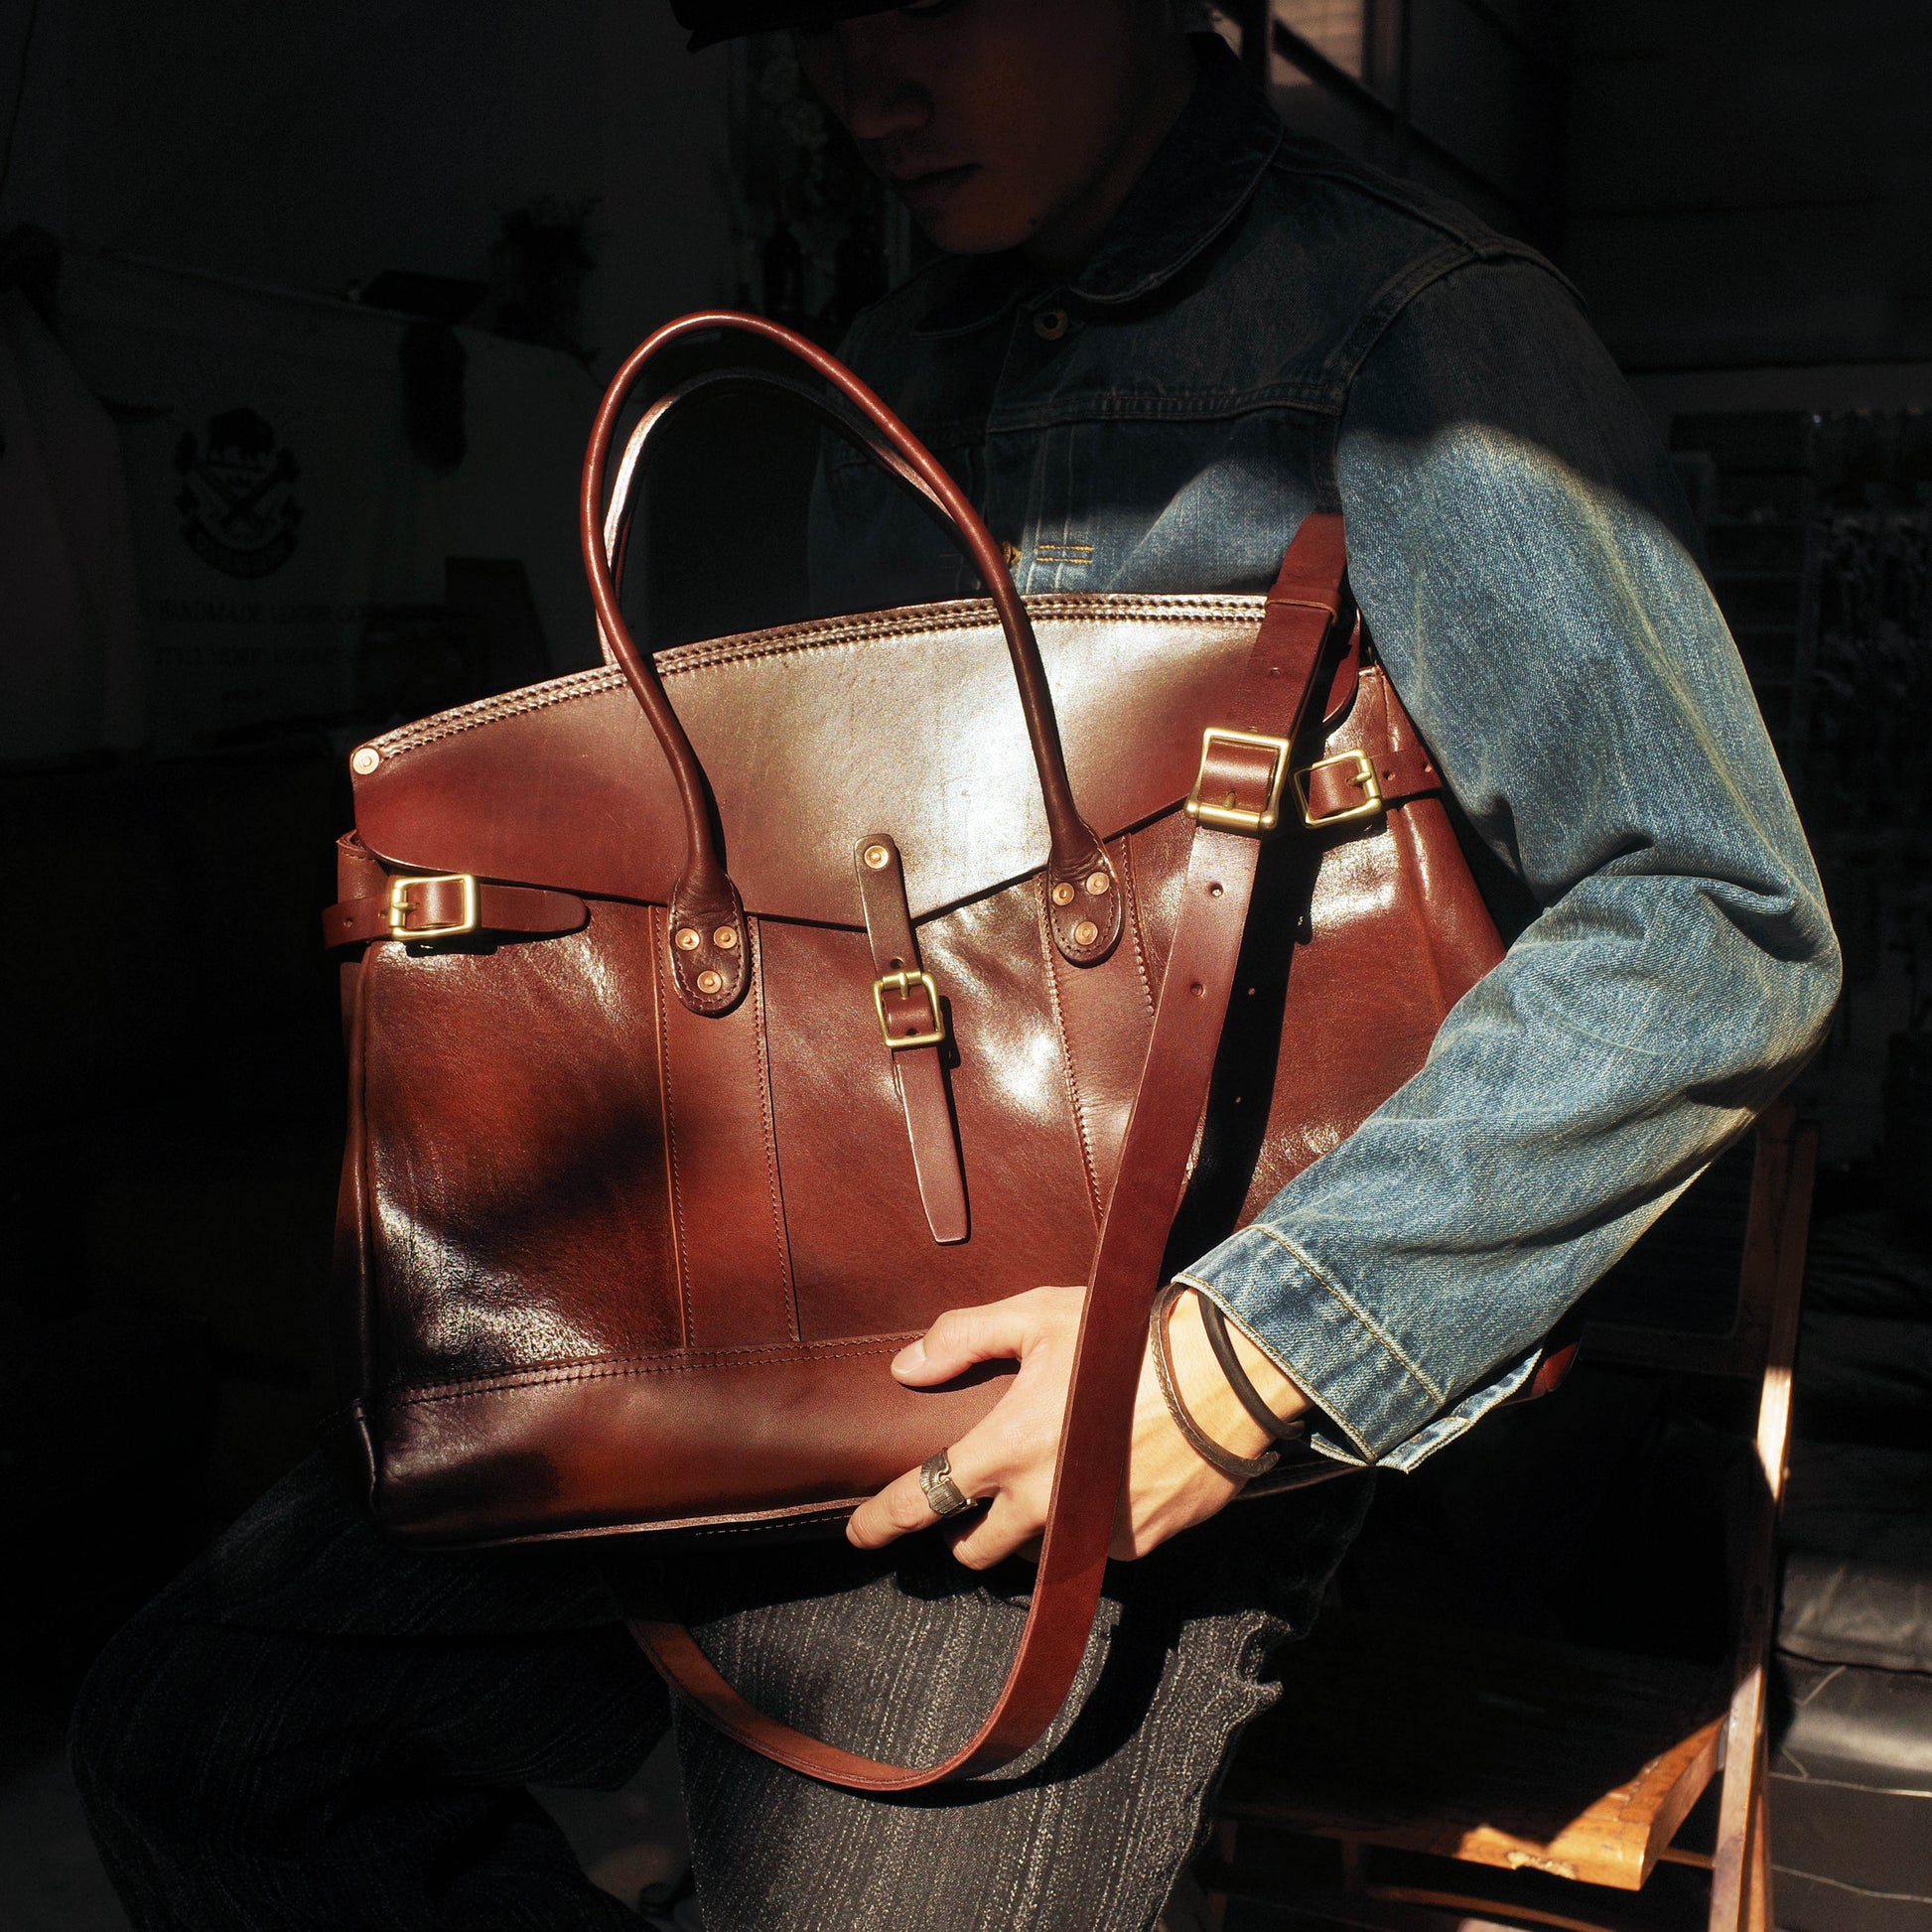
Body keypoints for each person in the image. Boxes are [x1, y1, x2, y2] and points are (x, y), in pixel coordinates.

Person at [72, 4, 1840, 1929]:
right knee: (205, 1729)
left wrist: (1244, 1357)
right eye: (795, 23)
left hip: (1141, 1366)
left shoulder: (1412, 327)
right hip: (800, 1312)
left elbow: (1706, 917)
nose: (857, 85)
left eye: (916, 0)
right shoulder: (893, 363)